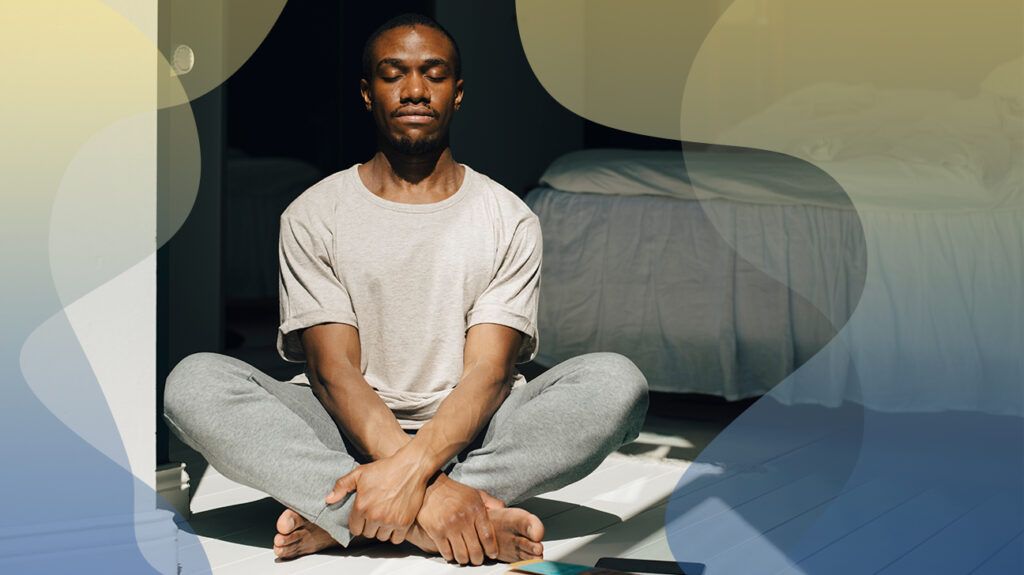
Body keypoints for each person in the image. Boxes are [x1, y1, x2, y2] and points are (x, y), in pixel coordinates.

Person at [162, 12, 649, 567]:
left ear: (458, 93)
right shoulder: (314, 213)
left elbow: (488, 374)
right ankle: (442, 517)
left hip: (475, 429)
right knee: (195, 383)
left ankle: (345, 511)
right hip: (341, 426)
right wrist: (430, 492)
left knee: (616, 384)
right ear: (368, 94)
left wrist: (413, 471)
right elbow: (332, 372)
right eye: (394, 74)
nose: (415, 90)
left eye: (433, 74)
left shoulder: (508, 217)